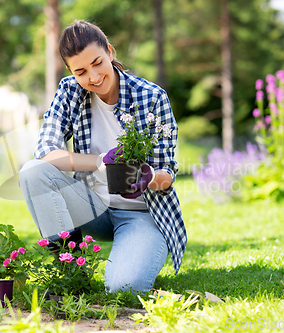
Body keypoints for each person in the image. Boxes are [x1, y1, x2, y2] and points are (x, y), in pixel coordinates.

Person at [19, 20, 186, 293]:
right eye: (81, 71)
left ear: (110, 51)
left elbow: (167, 175)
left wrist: (146, 177)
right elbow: (46, 152)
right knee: (32, 172)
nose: (93, 77)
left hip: (142, 213)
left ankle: (133, 256)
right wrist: (100, 161)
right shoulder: (70, 91)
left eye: (97, 62)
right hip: (91, 206)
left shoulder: (151, 96)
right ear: (71, 72)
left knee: (124, 288)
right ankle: (71, 274)